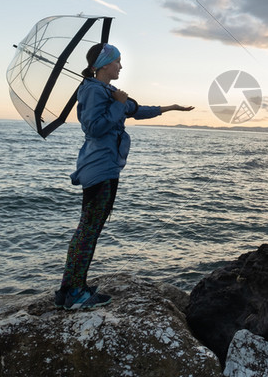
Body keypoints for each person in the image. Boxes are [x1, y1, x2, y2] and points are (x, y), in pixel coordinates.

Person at [55, 42, 193, 309]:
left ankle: (72, 288)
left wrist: (169, 108)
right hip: (99, 166)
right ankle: (73, 293)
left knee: (90, 229)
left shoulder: (105, 90)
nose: (121, 66)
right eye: (118, 61)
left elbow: (135, 110)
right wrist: (118, 105)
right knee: (88, 230)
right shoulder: (94, 90)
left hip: (105, 165)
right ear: (105, 64)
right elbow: (94, 128)